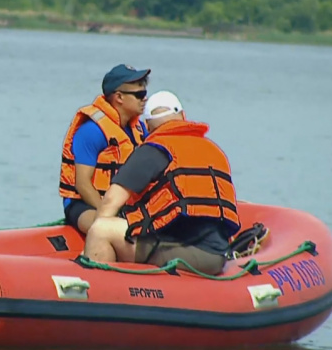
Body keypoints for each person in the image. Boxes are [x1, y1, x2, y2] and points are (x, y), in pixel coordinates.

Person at [84, 91, 240, 275]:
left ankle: (101, 294)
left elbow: (110, 202)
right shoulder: (214, 151)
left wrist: (90, 242)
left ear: (148, 127)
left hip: (185, 253)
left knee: (101, 230)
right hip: (217, 256)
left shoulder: (154, 150)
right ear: (183, 116)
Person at [59, 64, 151, 235]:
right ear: (119, 97)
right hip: (84, 205)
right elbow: (83, 184)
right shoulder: (92, 131)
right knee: (109, 230)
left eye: (145, 93)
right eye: (140, 95)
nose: (144, 99)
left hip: (123, 205)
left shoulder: (140, 130)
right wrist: (108, 212)